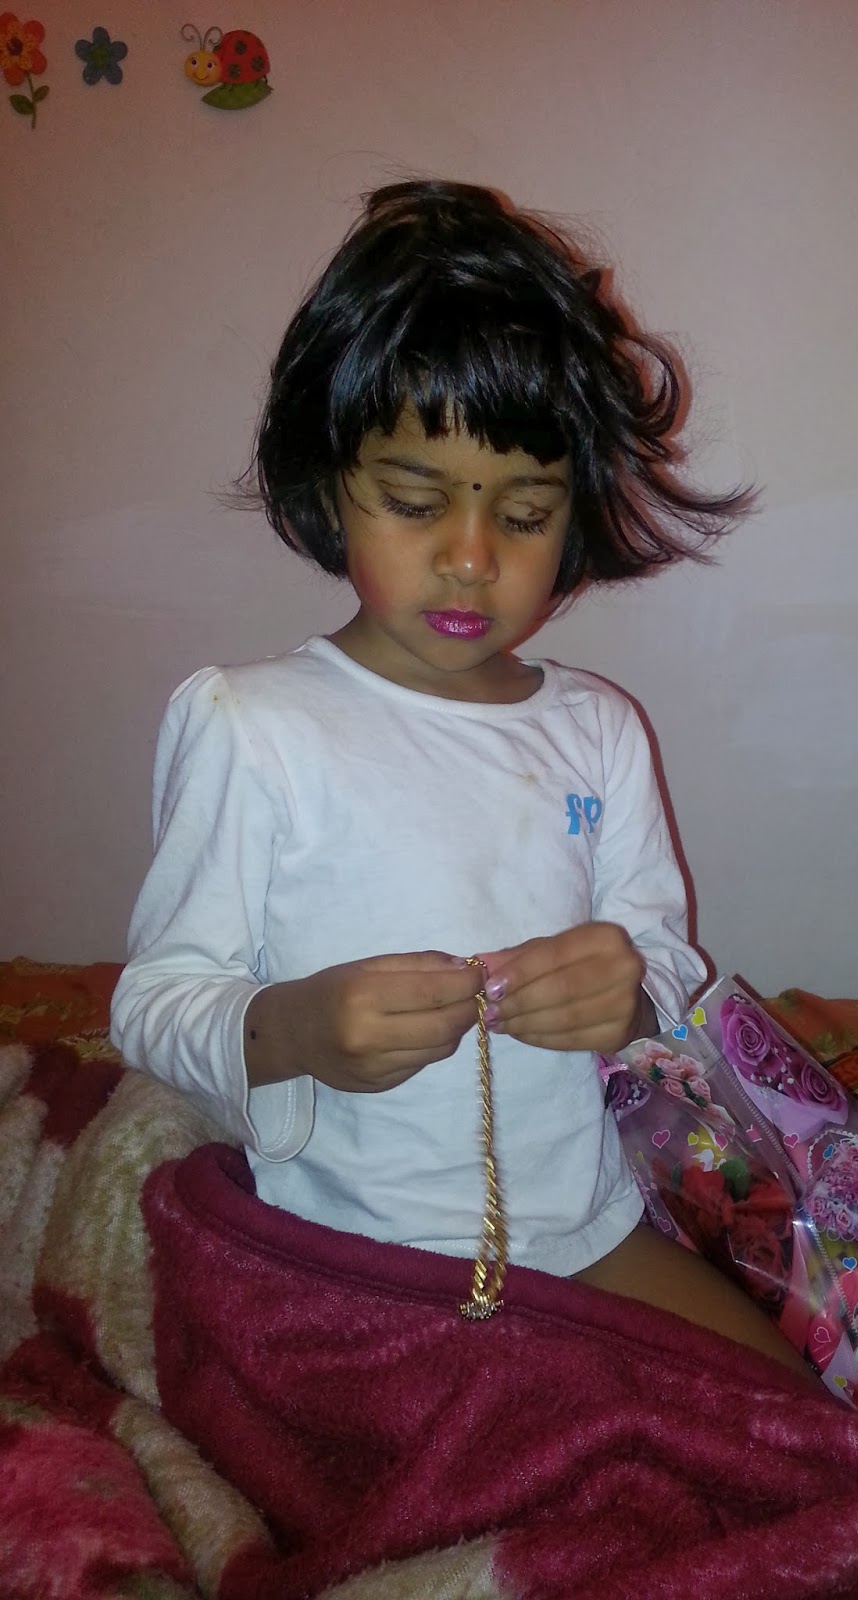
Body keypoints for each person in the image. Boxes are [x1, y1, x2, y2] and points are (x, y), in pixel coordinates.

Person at [110, 179, 815, 1381]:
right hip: (347, 1255)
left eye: (525, 513)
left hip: (587, 1230)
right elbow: (156, 1000)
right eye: (413, 500)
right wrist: (293, 1026)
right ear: (330, 487)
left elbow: (666, 963)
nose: (471, 557)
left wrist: (630, 989)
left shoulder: (598, 729)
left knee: (802, 1434)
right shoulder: (252, 722)